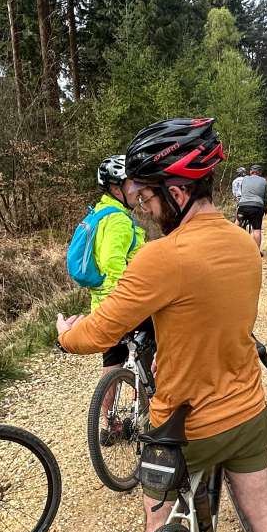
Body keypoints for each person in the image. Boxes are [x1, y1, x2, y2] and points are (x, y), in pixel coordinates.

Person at [56, 118, 267, 532]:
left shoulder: (161, 257)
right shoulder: (244, 244)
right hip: (247, 413)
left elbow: (102, 330)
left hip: (184, 427)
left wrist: (65, 335)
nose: (144, 209)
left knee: (158, 523)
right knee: (263, 512)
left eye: (147, 197)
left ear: (177, 191)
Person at [90, 154, 151, 426]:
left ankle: (109, 423)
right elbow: (112, 263)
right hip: (122, 303)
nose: (137, 188)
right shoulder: (118, 220)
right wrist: (125, 300)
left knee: (112, 361)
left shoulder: (100, 214)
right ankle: (161, 409)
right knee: (166, 335)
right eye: (131, 183)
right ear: (116, 189)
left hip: (102, 305)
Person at [235, 162, 267, 252]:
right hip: (256, 207)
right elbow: (266, 196)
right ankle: (257, 252)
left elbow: (242, 191)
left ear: (251, 172)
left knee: (237, 223)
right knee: (256, 230)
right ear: (260, 172)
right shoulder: (263, 181)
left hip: (243, 205)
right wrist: (265, 207)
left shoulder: (245, 179)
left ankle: (232, 240)